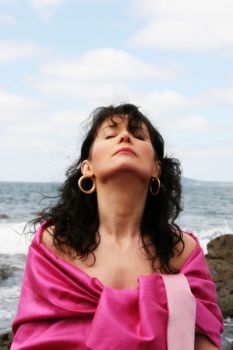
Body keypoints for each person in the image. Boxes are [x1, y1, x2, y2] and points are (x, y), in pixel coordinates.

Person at [11, 103, 223, 350]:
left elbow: (203, 339)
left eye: (138, 135)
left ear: (156, 168)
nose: (124, 136)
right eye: (110, 134)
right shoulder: (55, 242)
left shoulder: (182, 251)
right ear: (87, 167)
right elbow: (34, 338)